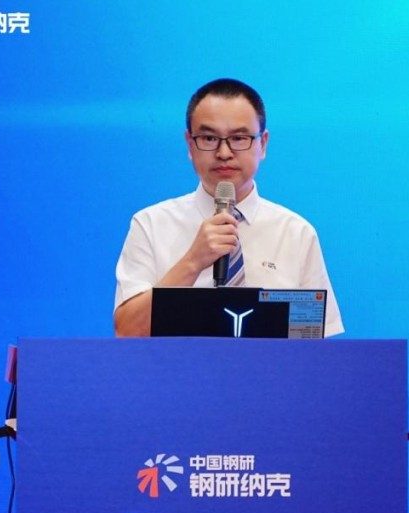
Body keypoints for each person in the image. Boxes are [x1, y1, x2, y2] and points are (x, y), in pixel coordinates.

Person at [113, 78, 344, 337]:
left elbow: (316, 343)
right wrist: (193, 261)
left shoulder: (296, 233)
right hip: (178, 365)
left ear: (263, 144)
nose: (224, 152)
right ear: (190, 144)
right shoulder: (151, 225)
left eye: (239, 138)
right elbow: (127, 331)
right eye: (209, 138)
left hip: (269, 366)